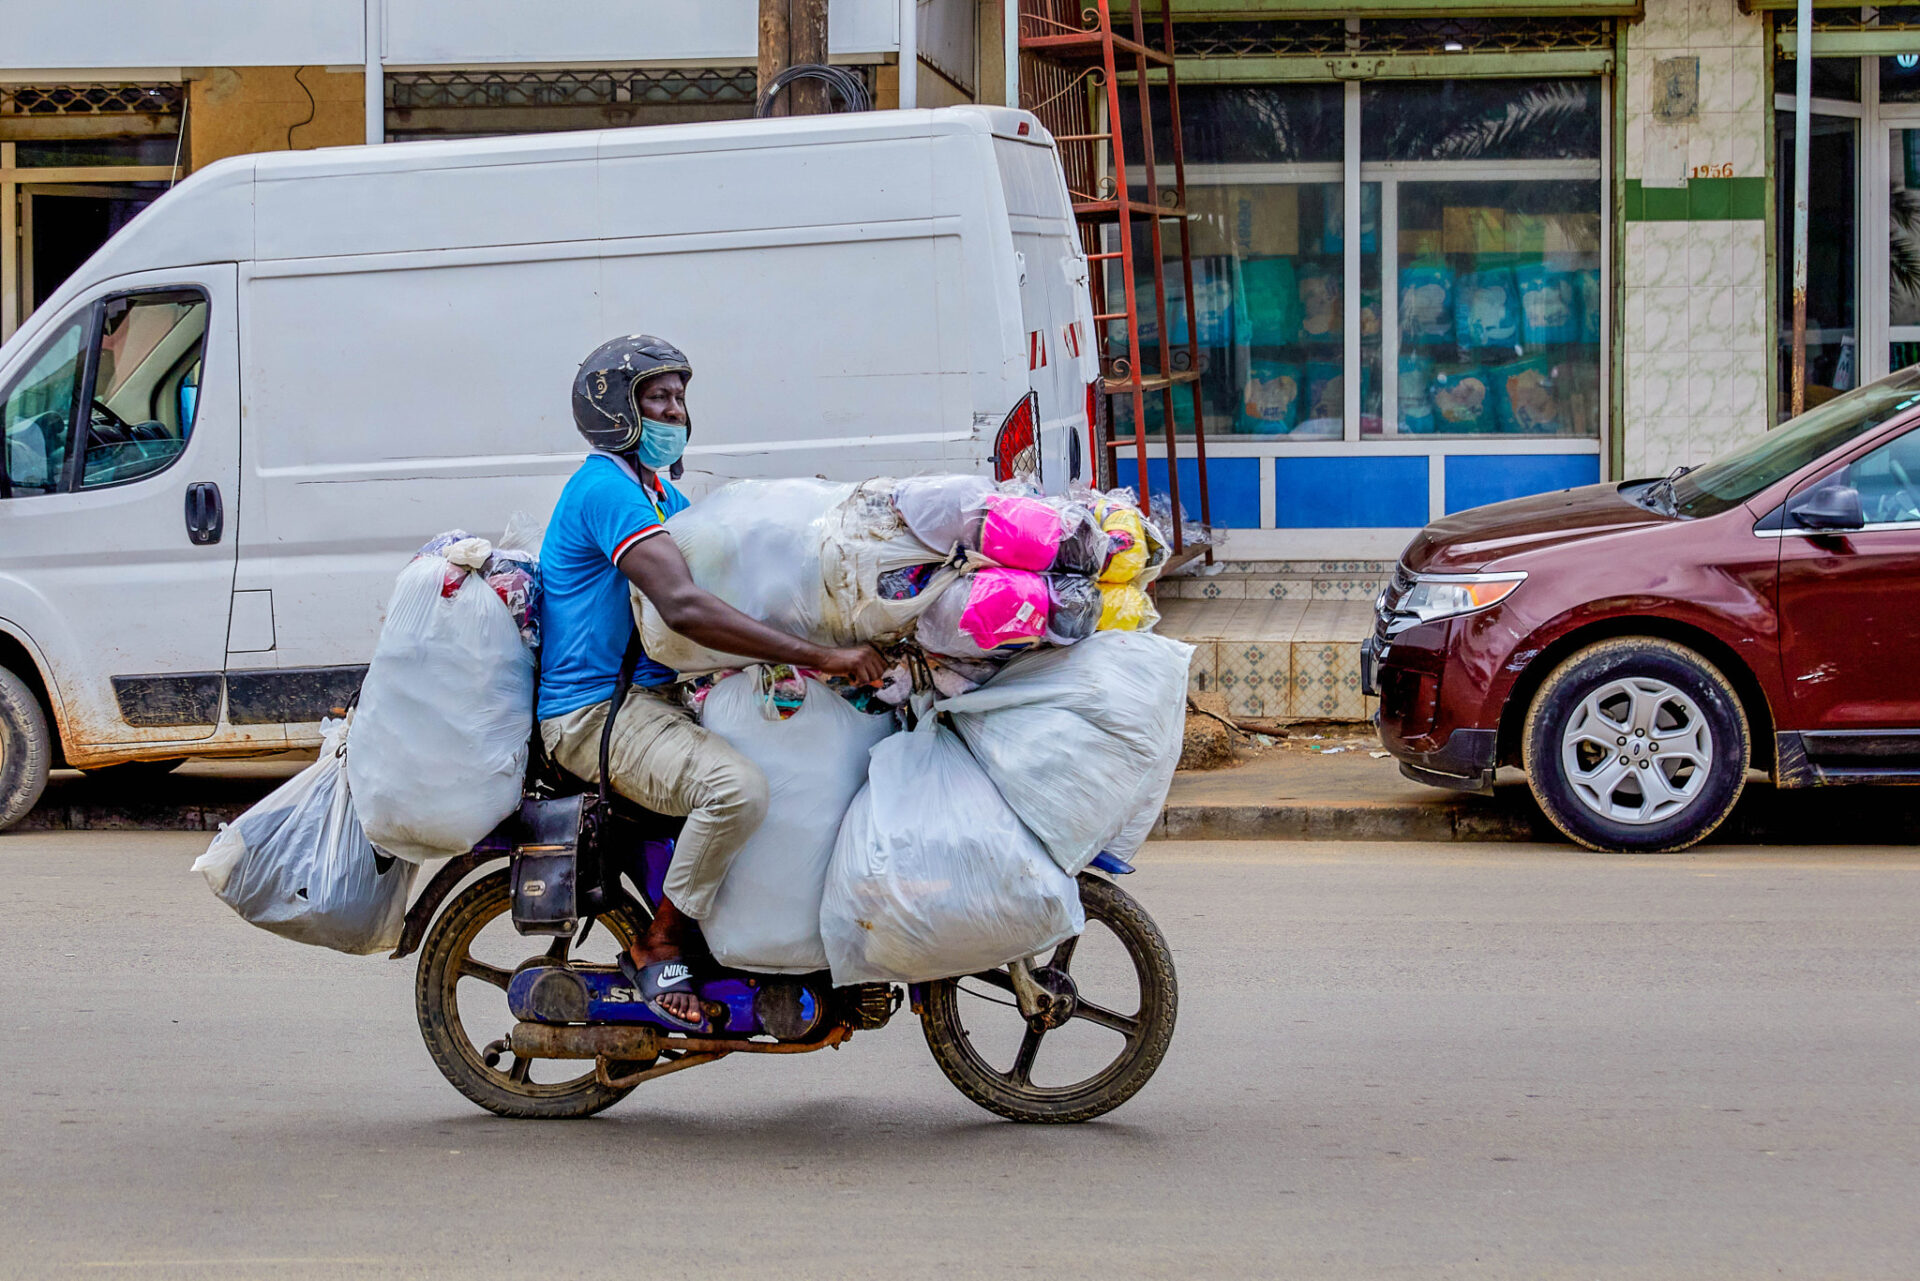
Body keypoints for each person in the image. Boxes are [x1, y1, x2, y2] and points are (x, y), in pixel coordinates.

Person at [537, 334, 887, 1029]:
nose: (676, 412)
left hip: (657, 698)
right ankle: (660, 941)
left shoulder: (659, 492)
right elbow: (685, 606)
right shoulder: (606, 490)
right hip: (595, 712)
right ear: (615, 411)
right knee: (736, 789)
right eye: (657, 399)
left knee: (801, 764)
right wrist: (821, 658)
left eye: (680, 398)